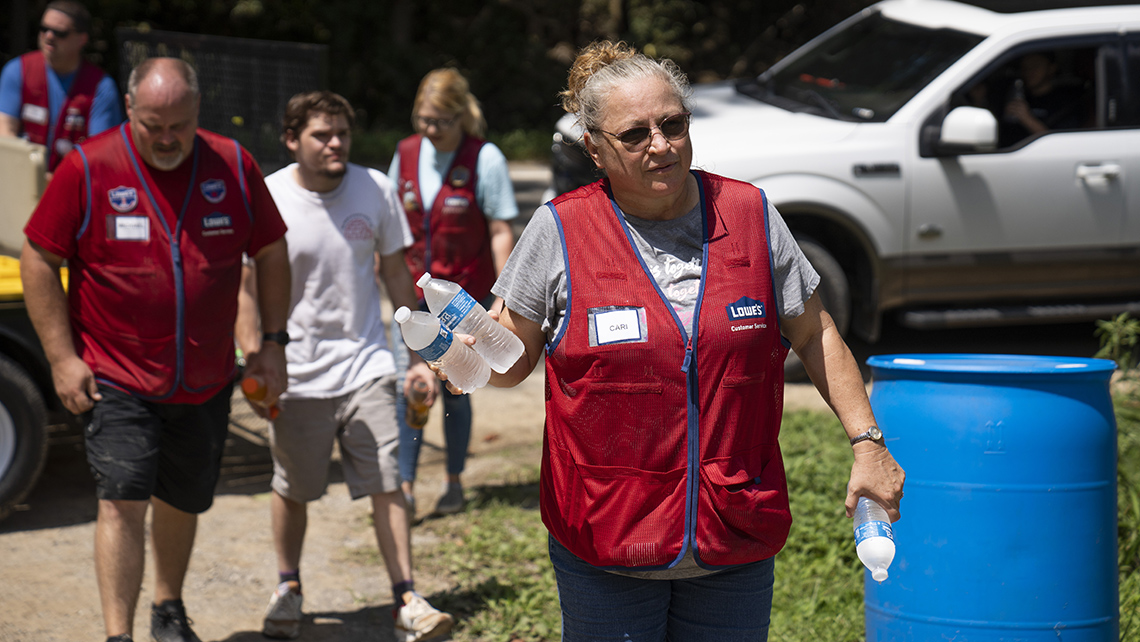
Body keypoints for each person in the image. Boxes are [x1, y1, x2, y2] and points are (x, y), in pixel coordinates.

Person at [479, 41, 905, 640]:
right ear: (595, 149)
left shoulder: (750, 213)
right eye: (634, 135)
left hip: (734, 533)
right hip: (608, 539)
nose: (661, 145)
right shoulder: (559, 230)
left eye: (673, 124)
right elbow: (506, 364)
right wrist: (461, 354)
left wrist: (868, 444)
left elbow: (815, 331)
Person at [20, 57, 290, 642]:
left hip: (207, 375)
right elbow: (39, 256)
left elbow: (270, 251)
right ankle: (119, 634)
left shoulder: (234, 165)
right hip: (115, 375)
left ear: (198, 114)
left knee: (183, 498)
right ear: (132, 112)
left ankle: (168, 609)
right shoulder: (89, 166)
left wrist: (271, 343)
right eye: (152, 126)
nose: (167, 139)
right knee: (122, 499)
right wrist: (62, 358)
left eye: (180, 126)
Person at [236, 90, 454, 642]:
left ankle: (407, 598)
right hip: (296, 372)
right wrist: (255, 356)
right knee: (295, 487)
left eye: (342, 134)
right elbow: (245, 287)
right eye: (320, 135)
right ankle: (288, 588)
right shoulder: (269, 196)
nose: (335, 143)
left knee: (387, 481)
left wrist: (418, 358)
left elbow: (397, 279)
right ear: (292, 140)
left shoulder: (374, 188)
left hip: (367, 364)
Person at [388, 68, 518, 517]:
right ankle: (404, 487)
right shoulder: (404, 154)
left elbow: (501, 229)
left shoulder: (485, 158)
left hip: (463, 300)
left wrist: (503, 297)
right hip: (412, 300)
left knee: (457, 386)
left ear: (461, 115)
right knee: (413, 388)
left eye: (441, 120)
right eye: (423, 119)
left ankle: (454, 482)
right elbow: (391, 230)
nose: (430, 130)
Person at [0, 0, 123, 171]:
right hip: (23, 177)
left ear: (82, 39)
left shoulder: (101, 87)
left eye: (60, 33)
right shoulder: (17, 70)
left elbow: (99, 154)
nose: (49, 36)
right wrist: (34, 176)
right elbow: (5, 134)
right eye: (44, 29)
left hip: (74, 184)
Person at [1001, 51, 1086, 145]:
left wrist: (1027, 119)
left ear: (1051, 68)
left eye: (1035, 65)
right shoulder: (1017, 97)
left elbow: (1063, 144)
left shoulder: (1065, 103)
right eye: (1024, 67)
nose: (1029, 71)